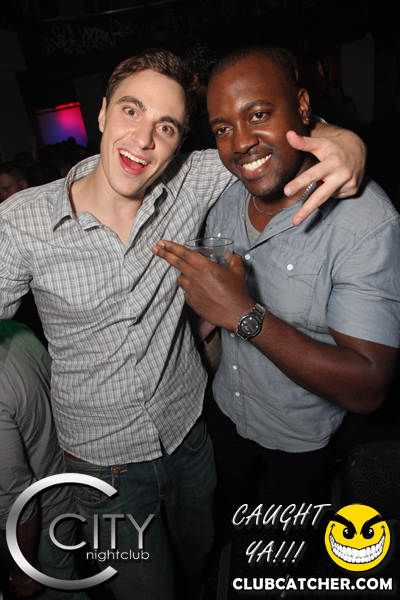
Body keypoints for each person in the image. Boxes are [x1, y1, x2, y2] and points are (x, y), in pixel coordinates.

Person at [0, 47, 366, 599]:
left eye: (166, 126)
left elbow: (277, 140)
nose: (144, 139)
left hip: (190, 435)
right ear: (102, 113)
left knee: (199, 557)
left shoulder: (192, 179)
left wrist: (346, 143)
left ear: (178, 142)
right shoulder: (22, 222)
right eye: (131, 111)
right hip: (102, 466)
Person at [152, 46, 400, 569]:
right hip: (225, 410)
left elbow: (369, 386)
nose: (240, 142)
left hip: (300, 437)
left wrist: (244, 315)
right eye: (222, 128)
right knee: (228, 520)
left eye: (259, 113)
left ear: (303, 107)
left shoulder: (364, 221)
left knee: (288, 545)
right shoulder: (224, 192)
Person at [0, 320, 87, 600]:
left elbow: (18, 504)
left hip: (45, 521)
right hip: (72, 477)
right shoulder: (11, 328)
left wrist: (22, 574)